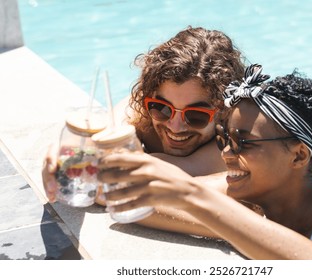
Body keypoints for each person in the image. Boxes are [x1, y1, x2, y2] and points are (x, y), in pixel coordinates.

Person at [97, 64, 312, 259]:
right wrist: (232, 223)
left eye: (243, 143)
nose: (225, 153)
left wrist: (197, 200)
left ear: (299, 155)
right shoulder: (239, 193)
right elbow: (128, 200)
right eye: (223, 138)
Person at [42, 26, 246, 203]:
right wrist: (69, 153)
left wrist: (92, 161)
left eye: (195, 115)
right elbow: (104, 134)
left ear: (224, 111)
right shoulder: (141, 110)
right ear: (147, 97)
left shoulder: (234, 141)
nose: (175, 126)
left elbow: (181, 170)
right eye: (162, 108)